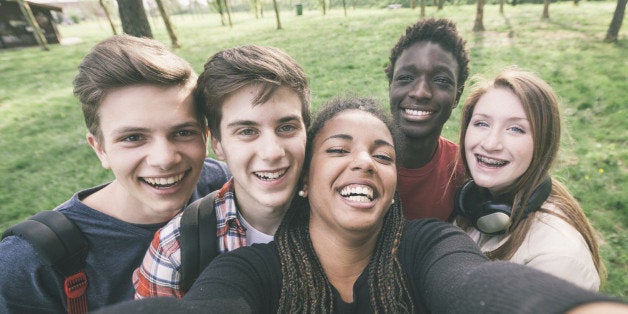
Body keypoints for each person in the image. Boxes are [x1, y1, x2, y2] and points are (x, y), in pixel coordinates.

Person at [93, 97, 625, 313]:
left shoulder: (427, 245)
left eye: (382, 155)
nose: (364, 164)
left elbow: (474, 286)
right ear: (304, 182)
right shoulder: (250, 272)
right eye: (339, 150)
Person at [0, 34, 230, 313]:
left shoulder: (223, 184)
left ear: (205, 137)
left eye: (183, 132)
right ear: (100, 149)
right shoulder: (29, 264)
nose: (165, 159)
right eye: (133, 138)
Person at [133, 45, 310, 299]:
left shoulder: (344, 216)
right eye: (247, 131)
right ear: (217, 144)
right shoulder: (176, 251)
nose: (272, 152)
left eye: (286, 127)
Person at [453, 68, 606, 291]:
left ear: (542, 145)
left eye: (515, 129)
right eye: (481, 123)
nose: (490, 143)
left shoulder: (557, 259)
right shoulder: (474, 203)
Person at [385, 18, 470, 221]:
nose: (420, 92)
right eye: (406, 77)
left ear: (457, 95)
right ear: (390, 86)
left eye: (441, 80)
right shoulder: (355, 161)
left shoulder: (463, 171)